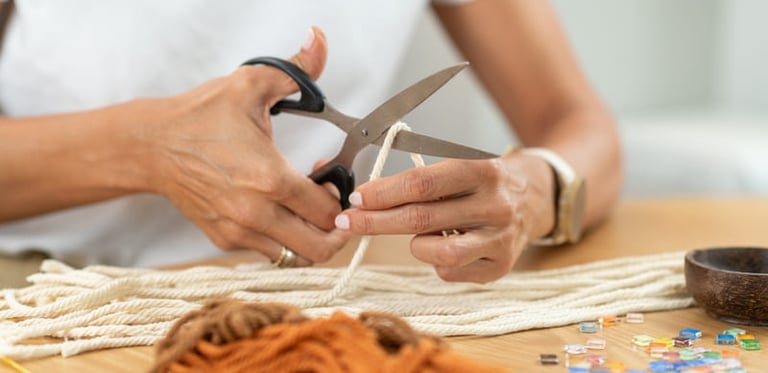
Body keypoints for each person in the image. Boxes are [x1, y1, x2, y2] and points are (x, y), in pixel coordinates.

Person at [0, 0, 621, 285]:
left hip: (295, 289)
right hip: (37, 287)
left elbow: (579, 123)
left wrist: (534, 188)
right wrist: (146, 148)